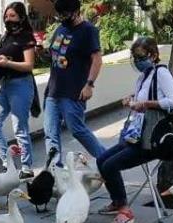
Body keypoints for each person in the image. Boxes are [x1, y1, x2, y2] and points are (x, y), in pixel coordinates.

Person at [96, 37, 173, 223]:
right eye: (134, 57)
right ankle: (117, 201)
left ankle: (125, 210)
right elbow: (143, 98)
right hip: (137, 135)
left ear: (152, 55)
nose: (137, 61)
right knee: (101, 160)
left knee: (110, 165)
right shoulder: (144, 76)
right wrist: (132, 99)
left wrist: (147, 104)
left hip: (151, 140)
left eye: (140, 57)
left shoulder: (162, 73)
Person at [43, 0, 105, 168]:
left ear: (77, 11)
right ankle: (55, 170)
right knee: (50, 132)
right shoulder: (61, 28)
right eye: (60, 14)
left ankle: (107, 160)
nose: (62, 17)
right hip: (53, 90)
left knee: (77, 129)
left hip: (73, 91)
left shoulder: (88, 31)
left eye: (66, 14)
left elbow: (97, 59)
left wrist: (89, 84)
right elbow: (54, 53)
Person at [0, 2, 38, 178]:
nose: (8, 19)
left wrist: (7, 63)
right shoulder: (5, 36)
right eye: (6, 16)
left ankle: (26, 167)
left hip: (21, 84)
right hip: (3, 84)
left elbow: (29, 65)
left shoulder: (27, 37)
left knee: (19, 128)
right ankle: (8, 164)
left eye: (12, 16)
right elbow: (3, 56)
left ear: (22, 17)